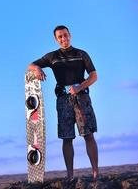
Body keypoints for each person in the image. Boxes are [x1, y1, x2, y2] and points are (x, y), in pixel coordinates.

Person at [27, 25, 99, 180]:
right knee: (67, 138)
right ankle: (70, 175)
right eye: (60, 37)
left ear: (70, 35)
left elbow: (94, 76)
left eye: (65, 35)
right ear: (56, 39)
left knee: (88, 135)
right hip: (63, 101)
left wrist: (79, 87)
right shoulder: (52, 56)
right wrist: (37, 69)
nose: (63, 39)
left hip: (82, 99)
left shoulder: (81, 54)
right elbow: (31, 64)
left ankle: (95, 172)